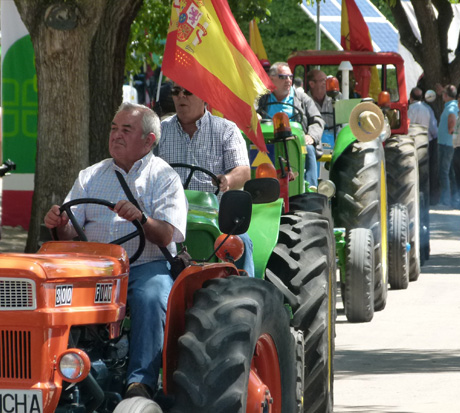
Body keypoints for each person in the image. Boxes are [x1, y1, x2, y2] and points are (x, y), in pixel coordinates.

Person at [44, 102, 187, 400]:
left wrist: (141, 218)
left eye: (126, 129)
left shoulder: (164, 178)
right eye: (113, 128)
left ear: (149, 141)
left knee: (152, 295)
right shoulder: (90, 175)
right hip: (92, 269)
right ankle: (54, 372)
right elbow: (70, 231)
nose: (116, 135)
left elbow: (167, 234)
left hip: (144, 266)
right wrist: (58, 223)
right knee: (47, 293)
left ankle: (140, 383)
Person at [154, 83, 255, 277]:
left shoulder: (226, 130)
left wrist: (227, 179)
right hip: (168, 215)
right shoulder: (160, 131)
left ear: (205, 97)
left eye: (188, 91)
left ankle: (245, 291)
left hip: (216, 214)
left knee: (239, 241)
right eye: (176, 92)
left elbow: (243, 171)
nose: (181, 97)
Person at [257, 62, 325, 188]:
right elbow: (249, 112)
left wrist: (311, 136)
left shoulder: (302, 98)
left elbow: (317, 120)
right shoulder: (262, 98)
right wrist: (254, 115)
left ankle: (310, 187)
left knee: (309, 149)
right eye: (283, 77)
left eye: (290, 76)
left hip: (295, 142)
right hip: (267, 142)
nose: (288, 80)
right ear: (271, 79)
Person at [437, 84, 459, 208]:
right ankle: (454, 198)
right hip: (448, 144)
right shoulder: (453, 105)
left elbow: (452, 123)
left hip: (446, 144)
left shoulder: (451, 108)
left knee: (444, 172)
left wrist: (450, 129)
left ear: (446, 95)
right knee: (450, 172)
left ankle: (445, 200)